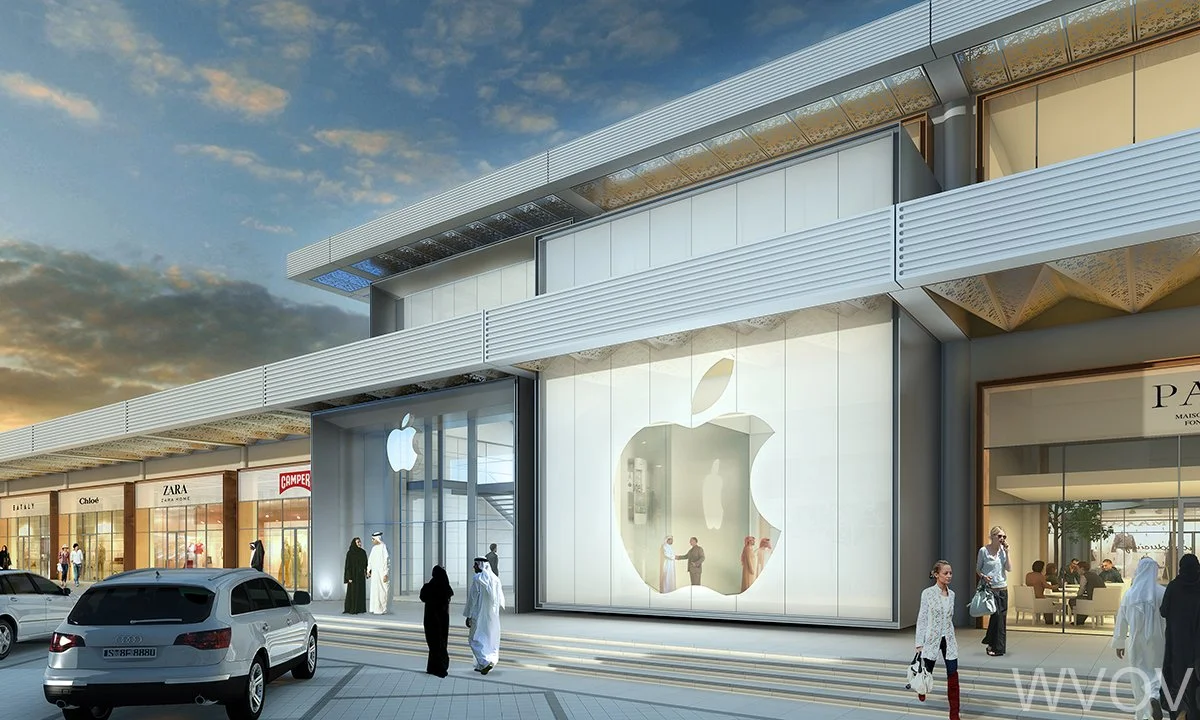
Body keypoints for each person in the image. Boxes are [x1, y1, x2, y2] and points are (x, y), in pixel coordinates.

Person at [1112, 557, 1166, 720]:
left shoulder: (1130, 594)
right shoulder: (1162, 592)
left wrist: (1119, 642)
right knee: (1156, 672)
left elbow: (1121, 619)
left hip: (1136, 640)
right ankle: (1154, 696)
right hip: (1158, 640)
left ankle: (1142, 713)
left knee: (1137, 674)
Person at [916, 560, 960, 720]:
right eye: (945, 573)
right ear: (936, 574)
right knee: (927, 670)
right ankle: (921, 689)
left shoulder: (952, 594)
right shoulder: (927, 593)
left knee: (953, 674)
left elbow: (949, 618)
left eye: (950, 573)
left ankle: (954, 713)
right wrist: (919, 643)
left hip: (948, 639)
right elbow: (922, 618)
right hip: (932, 639)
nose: (949, 576)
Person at [1161, 553, 1200, 720]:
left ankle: (1180, 713)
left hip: (1178, 644)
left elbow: (1163, 611)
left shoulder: (1174, 586)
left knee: (1179, 679)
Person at [464, 556, 505, 675]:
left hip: (478, 614)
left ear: (480, 565)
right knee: (488, 639)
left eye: (475, 565)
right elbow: (500, 599)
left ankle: (485, 662)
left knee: (473, 639)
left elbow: (472, 599)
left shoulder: (478, 579)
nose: (474, 567)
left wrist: (468, 615)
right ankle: (481, 665)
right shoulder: (495, 579)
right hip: (491, 616)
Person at [977, 525, 1011, 657]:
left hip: (1002, 588)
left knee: (1000, 619)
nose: (1002, 538)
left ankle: (994, 645)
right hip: (990, 589)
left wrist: (1007, 552)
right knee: (996, 616)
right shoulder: (983, 551)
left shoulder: (1003, 551)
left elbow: (1008, 568)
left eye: (1004, 536)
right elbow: (978, 568)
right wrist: (984, 576)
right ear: (992, 536)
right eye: (999, 536)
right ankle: (996, 647)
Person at [420, 565, 454, 678]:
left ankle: (433, 667)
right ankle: (440, 667)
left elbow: (422, 597)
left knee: (433, 644)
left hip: (430, 620)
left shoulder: (428, 586)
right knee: (441, 643)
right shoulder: (446, 587)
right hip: (443, 620)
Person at [1072, 561, 1106, 625]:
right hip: (1101, 600)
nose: (1076, 571)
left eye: (1077, 568)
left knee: (1073, 600)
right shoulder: (1095, 575)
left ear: (1082, 569)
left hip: (1092, 601)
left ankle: (1079, 620)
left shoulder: (1084, 576)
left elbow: (1081, 589)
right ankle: (1080, 619)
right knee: (1080, 600)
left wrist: (1077, 595)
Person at [1025, 561, 1056, 625]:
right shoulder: (1040, 576)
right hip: (1039, 598)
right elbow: (1047, 586)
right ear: (1041, 568)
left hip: (1029, 599)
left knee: (1047, 601)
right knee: (1050, 603)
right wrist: (1055, 586)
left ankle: (1041, 618)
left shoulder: (1028, 575)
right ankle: (1049, 621)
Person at [367, 531, 390, 614]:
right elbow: (370, 560)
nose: (372, 541)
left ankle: (382, 609)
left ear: (378, 539)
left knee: (382, 591)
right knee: (375, 591)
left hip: (382, 574)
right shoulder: (374, 549)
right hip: (375, 575)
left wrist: (385, 574)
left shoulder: (383, 547)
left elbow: (386, 562)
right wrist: (369, 570)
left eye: (373, 539)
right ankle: (375, 608)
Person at [342, 537, 368, 615]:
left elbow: (366, 564)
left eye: (360, 542)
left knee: (360, 591)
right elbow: (347, 566)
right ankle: (352, 608)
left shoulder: (363, 552)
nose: (359, 543)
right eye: (357, 542)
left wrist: (367, 572)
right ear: (354, 543)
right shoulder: (350, 553)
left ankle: (360, 609)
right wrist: (348, 577)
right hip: (353, 576)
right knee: (352, 592)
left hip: (360, 576)